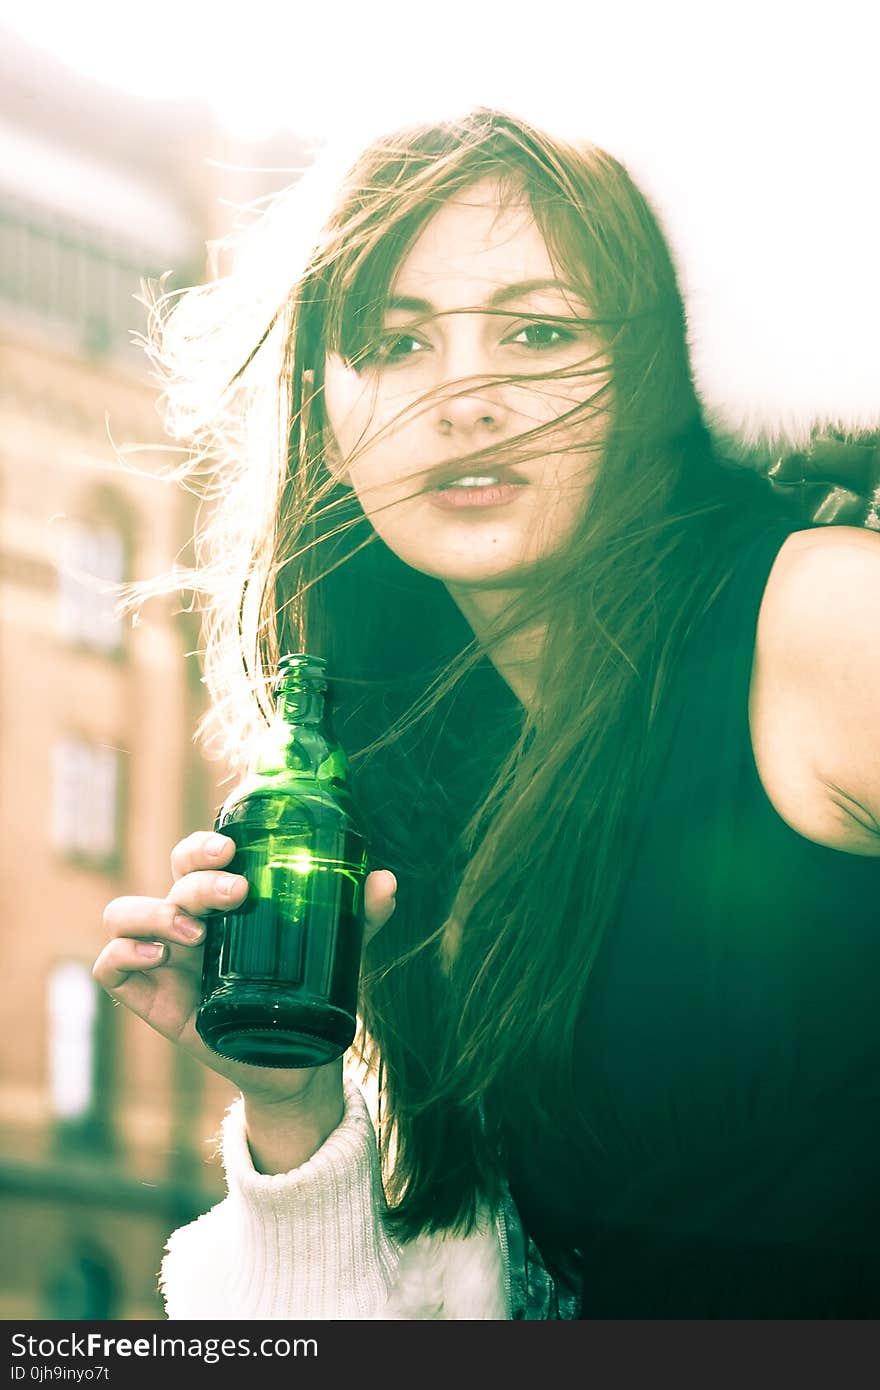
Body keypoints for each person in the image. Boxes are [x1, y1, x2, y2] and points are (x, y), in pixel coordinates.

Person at [93, 107, 880, 1319]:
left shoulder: (817, 619)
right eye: (398, 344)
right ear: (326, 405)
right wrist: (293, 1105)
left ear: (655, 372)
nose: (465, 395)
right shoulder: (426, 791)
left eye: (538, 331)